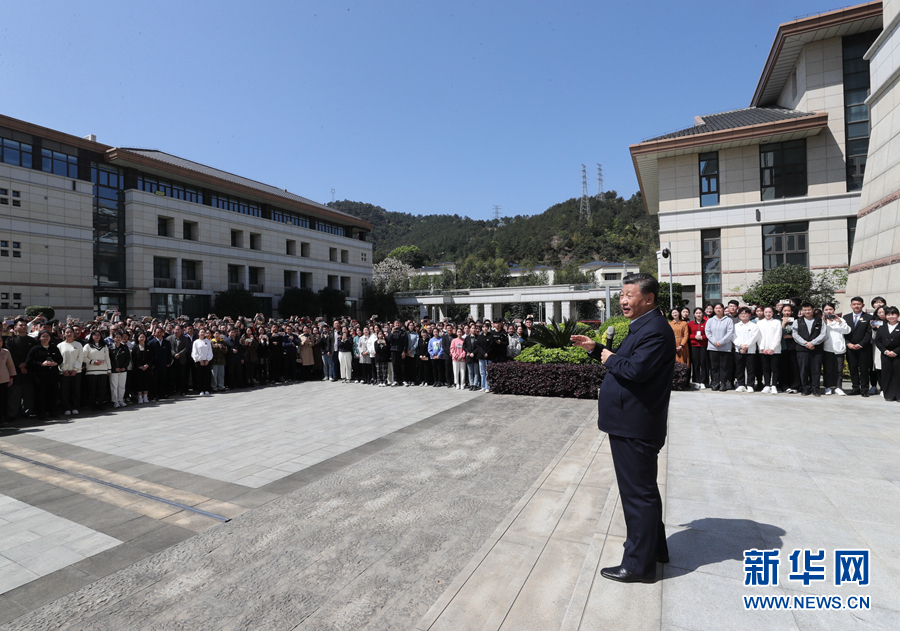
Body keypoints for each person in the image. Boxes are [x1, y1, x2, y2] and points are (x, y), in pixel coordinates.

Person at [571, 273, 674, 583]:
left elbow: (634, 369)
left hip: (636, 425)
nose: (624, 300)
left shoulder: (654, 331)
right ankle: (655, 550)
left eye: (630, 294)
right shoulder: (644, 326)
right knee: (644, 491)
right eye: (621, 295)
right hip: (632, 422)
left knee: (637, 495)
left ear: (649, 298)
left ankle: (638, 566)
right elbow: (625, 359)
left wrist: (606, 356)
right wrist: (596, 348)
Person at [26, 331, 63, 420]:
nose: (45, 338)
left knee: (52, 395)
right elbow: (29, 362)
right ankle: (41, 413)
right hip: (40, 376)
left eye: (47, 336)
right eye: (43, 336)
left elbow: (60, 359)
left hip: (52, 375)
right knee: (40, 396)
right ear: (39, 338)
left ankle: (52, 411)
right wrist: (41, 364)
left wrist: (55, 363)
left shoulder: (54, 348)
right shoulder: (35, 349)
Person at [792, 302, 826, 397]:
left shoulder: (819, 320)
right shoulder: (797, 321)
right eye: (805, 310)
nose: (807, 311)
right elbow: (795, 335)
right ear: (802, 311)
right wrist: (805, 343)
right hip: (802, 350)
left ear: (813, 310)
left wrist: (813, 343)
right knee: (803, 370)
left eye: (809, 309)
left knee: (816, 370)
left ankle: (815, 388)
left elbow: (823, 334)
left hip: (816, 349)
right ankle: (805, 388)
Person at [843, 296, 872, 396]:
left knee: (864, 369)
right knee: (853, 368)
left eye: (858, 304)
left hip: (864, 348)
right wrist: (848, 343)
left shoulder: (869, 317)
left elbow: (869, 333)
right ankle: (855, 388)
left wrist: (861, 344)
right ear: (851, 305)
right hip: (850, 348)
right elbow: (843, 333)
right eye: (854, 304)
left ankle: (864, 389)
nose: (856, 306)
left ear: (863, 305)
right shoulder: (845, 318)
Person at [821, 303, 850, 396]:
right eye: (826, 310)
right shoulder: (822, 321)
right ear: (823, 311)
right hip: (827, 348)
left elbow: (847, 331)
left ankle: (838, 387)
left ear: (834, 310)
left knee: (839, 369)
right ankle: (828, 387)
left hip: (839, 349)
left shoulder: (840, 320)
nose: (828, 311)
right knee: (827, 369)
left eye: (830, 309)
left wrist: (840, 322)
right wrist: (824, 323)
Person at [874, 306, 900, 402]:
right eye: (888, 314)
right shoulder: (882, 327)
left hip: (898, 354)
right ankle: (889, 394)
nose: (891, 316)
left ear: (898, 315)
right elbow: (878, 341)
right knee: (887, 374)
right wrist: (885, 351)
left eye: (893, 314)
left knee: (898, 375)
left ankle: (899, 395)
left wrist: (895, 352)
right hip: (885, 354)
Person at [705, 303, 733, 391]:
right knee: (714, 366)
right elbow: (708, 332)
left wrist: (721, 342)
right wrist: (714, 342)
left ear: (723, 309)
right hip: (713, 347)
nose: (718, 310)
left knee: (724, 366)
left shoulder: (728, 320)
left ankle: (723, 384)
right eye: (716, 308)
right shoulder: (710, 320)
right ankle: (716, 382)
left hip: (725, 347)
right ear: (714, 310)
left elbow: (730, 332)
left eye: (720, 308)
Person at [732, 307, 759, 392]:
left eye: (745, 313)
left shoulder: (754, 326)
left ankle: (750, 385)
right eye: (741, 314)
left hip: (750, 350)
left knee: (751, 368)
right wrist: (740, 345)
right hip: (739, 350)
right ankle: (741, 384)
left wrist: (746, 346)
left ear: (749, 315)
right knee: (739, 368)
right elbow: (733, 337)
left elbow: (755, 337)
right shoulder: (736, 326)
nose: (743, 315)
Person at [58, 326, 84, 414]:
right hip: (63, 372)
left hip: (76, 372)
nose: (69, 334)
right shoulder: (60, 345)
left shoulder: (78, 345)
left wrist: (75, 369)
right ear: (64, 334)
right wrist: (64, 369)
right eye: (67, 332)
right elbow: (59, 359)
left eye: (71, 332)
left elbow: (80, 358)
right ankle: (66, 408)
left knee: (75, 390)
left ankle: (75, 407)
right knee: (64, 391)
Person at [756, 307, 782, 394]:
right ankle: (766, 385)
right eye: (766, 312)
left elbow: (778, 336)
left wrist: (772, 348)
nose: (768, 314)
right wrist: (762, 348)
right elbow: (758, 337)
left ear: (773, 312)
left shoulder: (777, 322)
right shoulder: (759, 323)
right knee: (765, 368)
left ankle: (774, 385)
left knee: (775, 368)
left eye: (770, 312)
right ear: (763, 313)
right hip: (763, 350)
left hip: (775, 350)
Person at [83, 330, 111, 409]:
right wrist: (92, 362)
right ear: (91, 336)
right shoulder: (87, 346)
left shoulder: (104, 346)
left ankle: (100, 404)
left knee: (102, 389)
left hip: (103, 370)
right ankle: (93, 405)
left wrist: (109, 369)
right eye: (95, 335)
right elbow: (83, 357)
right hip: (91, 371)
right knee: (92, 389)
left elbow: (107, 358)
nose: (97, 336)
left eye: (99, 335)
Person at [108, 331, 131, 408]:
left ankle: (121, 399)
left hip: (123, 369)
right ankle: (115, 401)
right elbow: (110, 359)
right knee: (114, 386)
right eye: (116, 337)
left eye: (119, 337)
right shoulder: (110, 348)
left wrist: (124, 366)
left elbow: (128, 358)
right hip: (114, 370)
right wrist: (114, 367)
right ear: (113, 338)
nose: (118, 339)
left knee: (122, 385)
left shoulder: (125, 347)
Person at [687, 307, 707, 389]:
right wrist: (694, 336)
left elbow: (709, 334)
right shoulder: (690, 323)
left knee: (704, 364)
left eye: (700, 313)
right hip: (694, 346)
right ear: (694, 314)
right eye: (697, 313)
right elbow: (688, 334)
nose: (698, 314)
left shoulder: (707, 323)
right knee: (695, 364)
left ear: (703, 314)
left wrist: (703, 337)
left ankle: (704, 382)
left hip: (703, 345)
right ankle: (696, 381)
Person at [131, 331, 153, 403]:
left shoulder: (148, 347)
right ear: (137, 338)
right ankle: (140, 397)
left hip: (147, 368)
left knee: (146, 381)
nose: (142, 338)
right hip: (138, 369)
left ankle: (145, 396)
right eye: (140, 337)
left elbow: (151, 358)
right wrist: (140, 366)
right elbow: (134, 359)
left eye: (143, 337)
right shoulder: (135, 348)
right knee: (139, 382)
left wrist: (147, 365)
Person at [191, 329, 213, 396]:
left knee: (206, 376)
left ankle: (206, 389)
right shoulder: (196, 342)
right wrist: (199, 360)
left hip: (206, 361)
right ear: (198, 333)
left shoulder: (208, 342)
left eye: (204, 332)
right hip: (199, 362)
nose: (203, 333)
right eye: (201, 332)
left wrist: (207, 359)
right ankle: (200, 390)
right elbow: (194, 352)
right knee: (199, 376)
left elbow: (210, 351)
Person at [0, 334, 15, 427]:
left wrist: (11, 377)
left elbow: (10, 365)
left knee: (2, 400)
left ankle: (1, 418)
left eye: (0, 340)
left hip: (3, 379)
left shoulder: (5, 352)